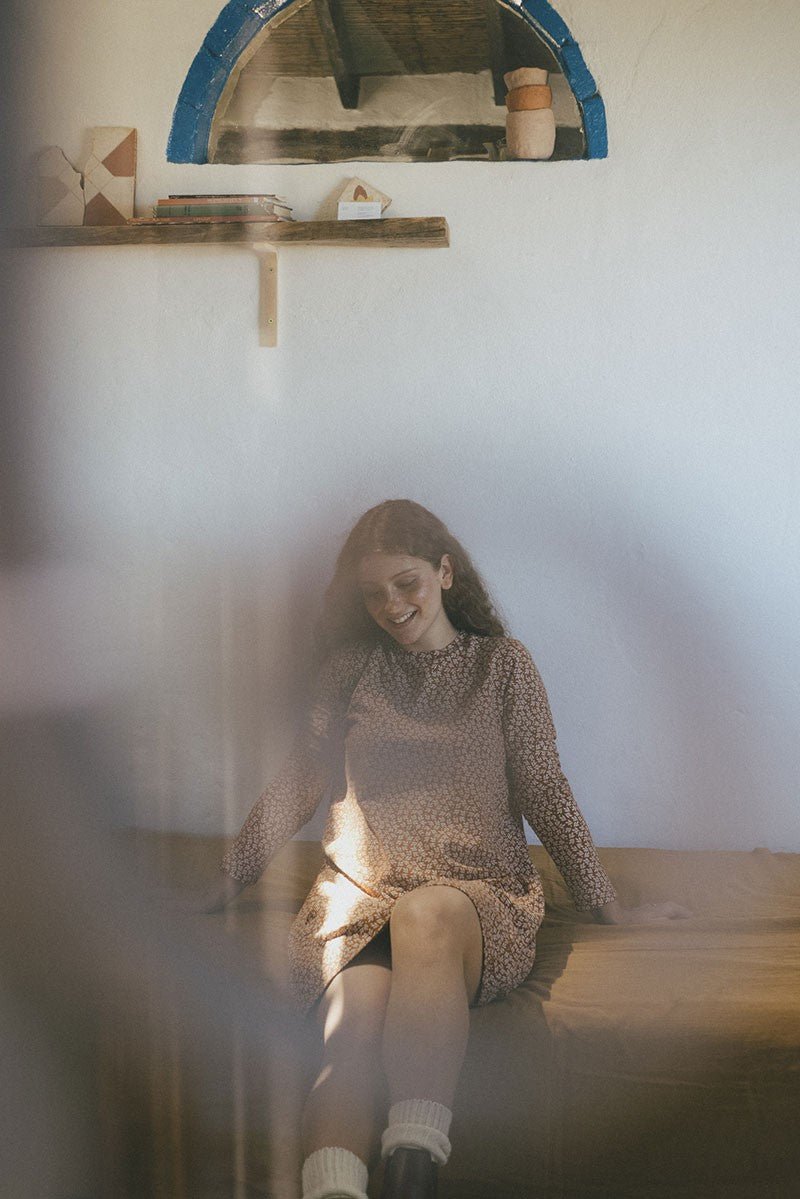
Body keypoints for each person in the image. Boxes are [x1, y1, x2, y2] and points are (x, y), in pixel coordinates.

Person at [205, 499, 691, 1199]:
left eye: (406, 583)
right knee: (349, 1037)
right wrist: (226, 879)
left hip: (476, 900)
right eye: (373, 593)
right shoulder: (348, 671)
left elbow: (544, 787)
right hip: (358, 903)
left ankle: (412, 1175)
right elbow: (298, 782)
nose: (392, 605)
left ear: (445, 572)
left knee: (425, 912)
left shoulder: (503, 666)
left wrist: (605, 901)